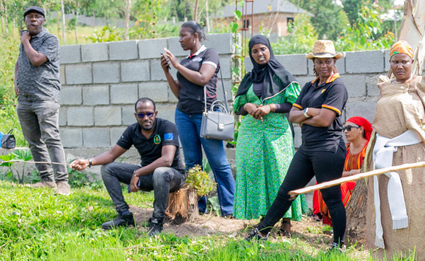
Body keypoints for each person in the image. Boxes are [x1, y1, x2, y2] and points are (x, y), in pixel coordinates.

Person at [246, 40, 348, 249]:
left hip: (328, 148)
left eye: (328, 61)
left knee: (331, 196)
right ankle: (262, 232)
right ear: (314, 64)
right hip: (308, 148)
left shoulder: (337, 86)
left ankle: (339, 244)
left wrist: (306, 114)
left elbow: (325, 120)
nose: (324, 66)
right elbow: (292, 116)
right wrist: (311, 113)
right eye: (319, 62)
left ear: (333, 62)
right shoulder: (310, 86)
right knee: (287, 191)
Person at [365, 41, 425, 261]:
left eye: (404, 62)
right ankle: (387, 258)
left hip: (413, 155)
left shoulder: (423, 84)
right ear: (389, 63)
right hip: (384, 156)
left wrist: (416, 138)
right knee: (386, 207)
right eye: (395, 61)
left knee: (416, 207)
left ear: (413, 62)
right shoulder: (386, 86)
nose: (400, 66)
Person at [70, 98, 186, 237]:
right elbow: (112, 154)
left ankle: (157, 221)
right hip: (149, 175)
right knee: (108, 168)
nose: (146, 118)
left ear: (155, 113)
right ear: (136, 116)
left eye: (149, 114)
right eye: (141, 114)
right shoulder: (133, 130)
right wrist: (88, 161)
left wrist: (137, 172)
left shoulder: (167, 127)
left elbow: (167, 160)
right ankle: (124, 215)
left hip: (172, 176)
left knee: (160, 172)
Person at [161, 21, 236, 217]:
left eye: (183, 35)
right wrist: (168, 71)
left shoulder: (209, 54)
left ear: (195, 36)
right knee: (192, 163)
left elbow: (203, 78)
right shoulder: (186, 61)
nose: (180, 39)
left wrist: (176, 64)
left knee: (218, 162)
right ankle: (197, 207)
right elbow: (180, 92)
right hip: (183, 114)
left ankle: (230, 208)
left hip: (205, 116)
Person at [233, 35, 304, 232]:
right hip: (251, 133)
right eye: (254, 51)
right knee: (256, 172)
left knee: (281, 174)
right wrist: (247, 105)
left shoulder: (283, 76)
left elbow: (296, 104)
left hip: (276, 133)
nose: (259, 54)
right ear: (251, 54)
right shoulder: (248, 78)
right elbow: (237, 107)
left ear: (269, 49)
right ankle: (265, 218)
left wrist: (270, 107)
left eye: (263, 49)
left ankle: (287, 221)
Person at [14, 5, 70, 196]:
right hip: (25, 99)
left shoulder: (50, 39)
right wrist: (16, 81)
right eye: (29, 17)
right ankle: (46, 180)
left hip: (45, 98)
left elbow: (36, 59)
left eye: (37, 17)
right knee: (33, 142)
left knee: (51, 139)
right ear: (26, 21)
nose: (33, 20)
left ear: (43, 20)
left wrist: (24, 41)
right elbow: (19, 62)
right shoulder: (26, 41)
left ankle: (63, 182)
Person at [313, 116, 372, 225]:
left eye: (349, 128)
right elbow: (334, 172)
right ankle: (323, 216)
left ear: (361, 129)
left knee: (342, 186)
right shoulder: (345, 148)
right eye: (344, 128)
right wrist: (352, 173)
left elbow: (369, 171)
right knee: (320, 182)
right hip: (347, 180)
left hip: (365, 184)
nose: (345, 131)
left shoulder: (369, 149)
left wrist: (348, 174)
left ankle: (342, 220)